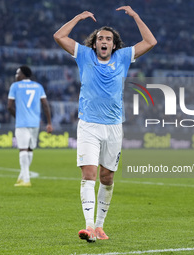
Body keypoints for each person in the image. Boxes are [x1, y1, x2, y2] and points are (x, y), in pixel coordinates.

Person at [54, 6, 156, 242]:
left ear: (113, 44)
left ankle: (99, 227)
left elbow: (150, 41)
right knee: (88, 174)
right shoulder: (84, 54)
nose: (104, 42)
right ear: (95, 43)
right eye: (100, 38)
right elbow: (59, 36)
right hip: (89, 125)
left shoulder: (122, 57)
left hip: (113, 127)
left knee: (107, 177)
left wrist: (136, 16)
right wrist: (78, 17)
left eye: (108, 39)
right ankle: (89, 226)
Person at [8, 65, 53, 187]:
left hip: (22, 123)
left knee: (23, 149)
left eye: (17, 73)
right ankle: (22, 176)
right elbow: (45, 105)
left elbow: (9, 106)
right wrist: (49, 123)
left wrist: (18, 117)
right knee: (30, 149)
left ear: (23, 74)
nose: (16, 76)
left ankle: (26, 180)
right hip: (35, 123)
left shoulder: (15, 86)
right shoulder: (38, 86)